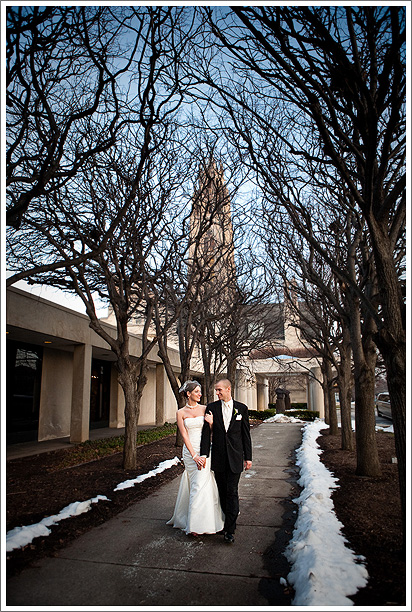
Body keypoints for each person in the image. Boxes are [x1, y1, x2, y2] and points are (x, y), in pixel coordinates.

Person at [167, 380, 224, 536]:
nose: (200, 394)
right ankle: (193, 523)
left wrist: (211, 423)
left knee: (200, 484)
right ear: (188, 394)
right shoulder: (180, 413)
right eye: (197, 392)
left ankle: (199, 524)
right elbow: (184, 435)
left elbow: (211, 431)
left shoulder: (206, 409)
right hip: (190, 452)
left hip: (205, 450)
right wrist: (193, 455)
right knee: (195, 484)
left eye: (200, 391)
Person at [200, 378, 252, 544]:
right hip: (219, 457)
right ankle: (225, 522)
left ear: (228, 389)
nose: (217, 393)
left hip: (236, 458)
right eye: (216, 390)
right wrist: (203, 455)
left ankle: (230, 529)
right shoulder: (212, 408)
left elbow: (245, 435)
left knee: (232, 491)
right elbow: (206, 434)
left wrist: (248, 457)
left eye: (219, 390)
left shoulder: (242, 409)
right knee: (222, 493)